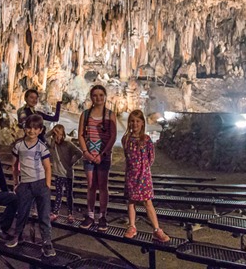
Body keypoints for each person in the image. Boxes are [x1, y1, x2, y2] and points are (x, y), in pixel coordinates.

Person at [6, 114, 55, 257]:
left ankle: (47, 242)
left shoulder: (41, 147)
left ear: (40, 130)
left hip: (40, 183)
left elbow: (47, 167)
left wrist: (47, 185)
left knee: (44, 215)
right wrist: (16, 183)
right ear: (24, 128)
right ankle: (17, 235)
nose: (31, 131)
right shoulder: (18, 145)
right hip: (25, 184)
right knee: (22, 212)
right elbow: (14, 165)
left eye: (35, 128)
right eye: (29, 128)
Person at [121, 110, 170, 242]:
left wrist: (142, 169)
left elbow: (151, 158)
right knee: (131, 201)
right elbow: (127, 156)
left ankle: (156, 229)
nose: (134, 124)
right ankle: (132, 226)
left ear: (142, 123)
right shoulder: (126, 139)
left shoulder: (147, 140)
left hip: (143, 176)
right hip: (131, 175)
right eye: (132, 121)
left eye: (137, 121)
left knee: (147, 202)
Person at [77, 85, 117, 231]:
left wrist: (104, 154)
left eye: (101, 95)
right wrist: (85, 152)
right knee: (91, 186)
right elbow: (81, 134)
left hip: (103, 156)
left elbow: (113, 136)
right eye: (95, 95)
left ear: (105, 96)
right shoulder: (85, 114)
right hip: (89, 155)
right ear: (91, 97)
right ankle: (90, 215)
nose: (98, 98)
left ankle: (103, 216)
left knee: (103, 186)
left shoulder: (110, 114)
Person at [46, 124, 83, 223]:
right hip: (58, 173)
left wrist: (72, 162)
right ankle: (55, 212)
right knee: (58, 194)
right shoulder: (52, 143)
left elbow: (79, 153)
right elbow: (44, 137)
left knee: (69, 194)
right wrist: (52, 131)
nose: (58, 137)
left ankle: (70, 214)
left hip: (67, 174)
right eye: (56, 134)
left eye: (60, 134)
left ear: (63, 134)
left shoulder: (68, 144)